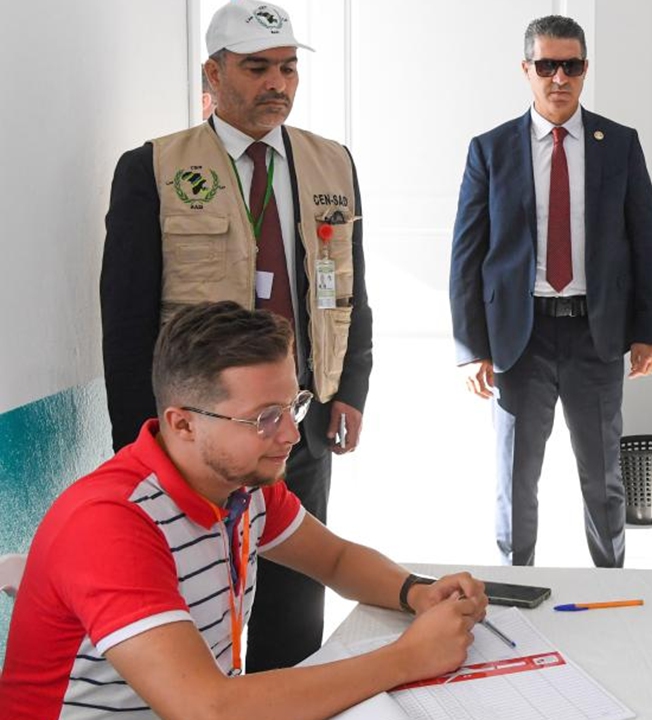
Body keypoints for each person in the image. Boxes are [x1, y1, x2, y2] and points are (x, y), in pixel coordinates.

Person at [0, 302, 485, 719]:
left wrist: (416, 592)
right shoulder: (111, 522)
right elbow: (207, 709)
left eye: (292, 406)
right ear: (183, 424)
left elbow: (335, 560)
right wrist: (407, 658)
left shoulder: (241, 485)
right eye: (264, 418)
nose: (291, 435)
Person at [99, 0, 372, 671]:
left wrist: (350, 388)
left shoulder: (330, 162)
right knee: (192, 606)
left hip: (295, 426)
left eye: (286, 68)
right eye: (256, 68)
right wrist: (137, 437)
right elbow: (126, 317)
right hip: (196, 436)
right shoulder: (155, 168)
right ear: (213, 74)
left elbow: (349, 290)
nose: (276, 83)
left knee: (294, 601)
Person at [449, 15, 652, 568]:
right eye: (546, 65)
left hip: (594, 337)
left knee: (603, 477)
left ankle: (610, 578)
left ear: (585, 70)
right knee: (516, 477)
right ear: (527, 70)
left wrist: (649, 332)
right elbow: (466, 255)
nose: (559, 77)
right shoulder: (491, 150)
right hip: (518, 342)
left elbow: (646, 240)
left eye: (570, 65)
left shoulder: (618, 144)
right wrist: (471, 346)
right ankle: (513, 581)